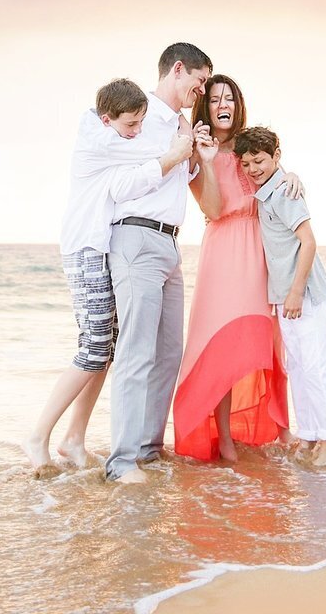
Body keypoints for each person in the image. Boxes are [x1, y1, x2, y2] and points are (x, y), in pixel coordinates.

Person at [21, 78, 193, 478]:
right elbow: (151, 154)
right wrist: (180, 141)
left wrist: (181, 137)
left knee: (106, 347)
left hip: (101, 248)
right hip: (84, 249)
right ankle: (38, 435)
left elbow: (144, 158)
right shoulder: (100, 139)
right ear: (107, 119)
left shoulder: (114, 137)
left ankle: (75, 439)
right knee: (94, 347)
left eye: (139, 123)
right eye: (131, 123)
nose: (135, 131)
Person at [172, 75, 299, 462]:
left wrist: (292, 176)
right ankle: (224, 437)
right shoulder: (197, 152)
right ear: (206, 108)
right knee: (221, 347)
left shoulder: (250, 149)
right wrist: (207, 163)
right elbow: (211, 209)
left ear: (237, 104)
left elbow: (275, 182)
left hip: (260, 249)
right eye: (214, 100)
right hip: (223, 252)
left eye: (229, 98)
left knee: (266, 341)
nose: (222, 104)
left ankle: (281, 429)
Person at [105, 43, 214, 484]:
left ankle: (149, 450)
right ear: (178, 69)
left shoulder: (182, 125)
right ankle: (122, 462)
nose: (201, 89)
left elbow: (186, 186)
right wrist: (176, 150)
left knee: (169, 353)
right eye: (199, 80)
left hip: (170, 245)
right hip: (136, 237)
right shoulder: (141, 117)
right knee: (136, 353)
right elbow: (120, 184)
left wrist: (198, 158)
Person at [234, 126, 326, 465]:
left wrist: (297, 292)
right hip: (284, 295)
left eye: (260, 161)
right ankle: (311, 435)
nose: (253, 169)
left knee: (314, 366)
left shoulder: (283, 192)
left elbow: (308, 241)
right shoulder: (272, 187)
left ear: (276, 158)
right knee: (298, 367)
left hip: (304, 293)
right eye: (246, 163)